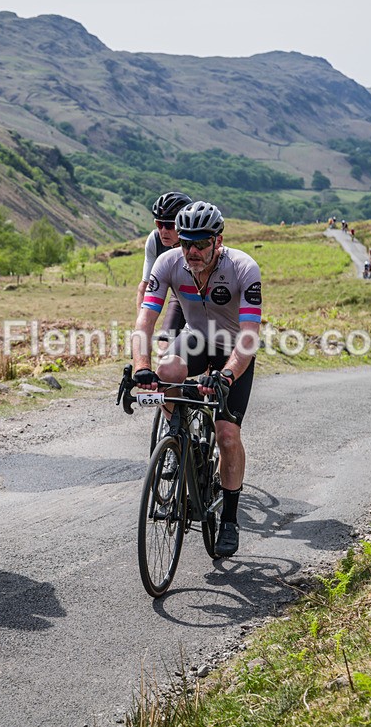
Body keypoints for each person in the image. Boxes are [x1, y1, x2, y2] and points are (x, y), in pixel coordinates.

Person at [132, 201, 261, 558]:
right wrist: (141, 365)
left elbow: (250, 335)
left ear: (218, 241)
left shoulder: (243, 268)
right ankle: (177, 436)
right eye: (187, 242)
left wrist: (227, 376)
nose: (192, 251)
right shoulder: (169, 263)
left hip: (235, 348)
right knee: (166, 370)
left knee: (227, 434)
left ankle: (230, 520)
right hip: (196, 339)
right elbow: (145, 321)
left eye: (201, 243)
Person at [135, 192, 192, 346]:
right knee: (164, 346)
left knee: (208, 348)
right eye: (159, 224)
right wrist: (142, 329)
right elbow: (145, 286)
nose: (163, 231)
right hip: (180, 296)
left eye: (170, 225)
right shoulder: (154, 241)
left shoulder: (198, 244)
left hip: (209, 299)